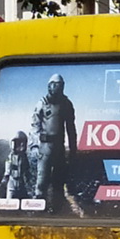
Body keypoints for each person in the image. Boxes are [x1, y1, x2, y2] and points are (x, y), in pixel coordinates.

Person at [31, 73, 77, 210]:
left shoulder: (66, 104)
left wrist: (73, 148)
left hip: (59, 146)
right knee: (42, 179)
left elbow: (70, 127)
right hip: (45, 146)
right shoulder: (42, 103)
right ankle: (38, 207)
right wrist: (34, 145)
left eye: (59, 85)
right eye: (54, 84)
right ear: (49, 85)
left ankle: (56, 209)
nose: (56, 87)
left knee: (58, 179)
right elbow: (35, 125)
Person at [1, 131, 33, 200]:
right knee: (10, 201)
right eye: (18, 143)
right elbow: (7, 170)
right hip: (12, 182)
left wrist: (29, 182)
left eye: (22, 143)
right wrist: (5, 179)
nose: (20, 146)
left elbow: (27, 170)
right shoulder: (11, 157)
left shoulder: (24, 157)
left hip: (21, 183)